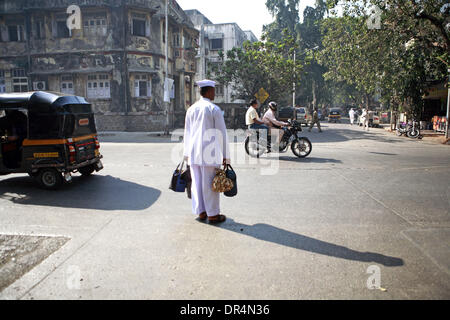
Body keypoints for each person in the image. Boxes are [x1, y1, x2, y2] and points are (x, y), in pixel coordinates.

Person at [183, 79, 230, 224]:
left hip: (193, 152)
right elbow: (221, 134)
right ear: (209, 91)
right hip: (210, 153)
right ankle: (213, 214)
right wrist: (226, 156)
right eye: (214, 91)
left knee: (196, 183)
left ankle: (201, 212)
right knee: (211, 184)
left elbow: (187, 133)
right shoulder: (213, 109)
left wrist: (186, 155)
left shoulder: (191, 109)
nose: (214, 93)